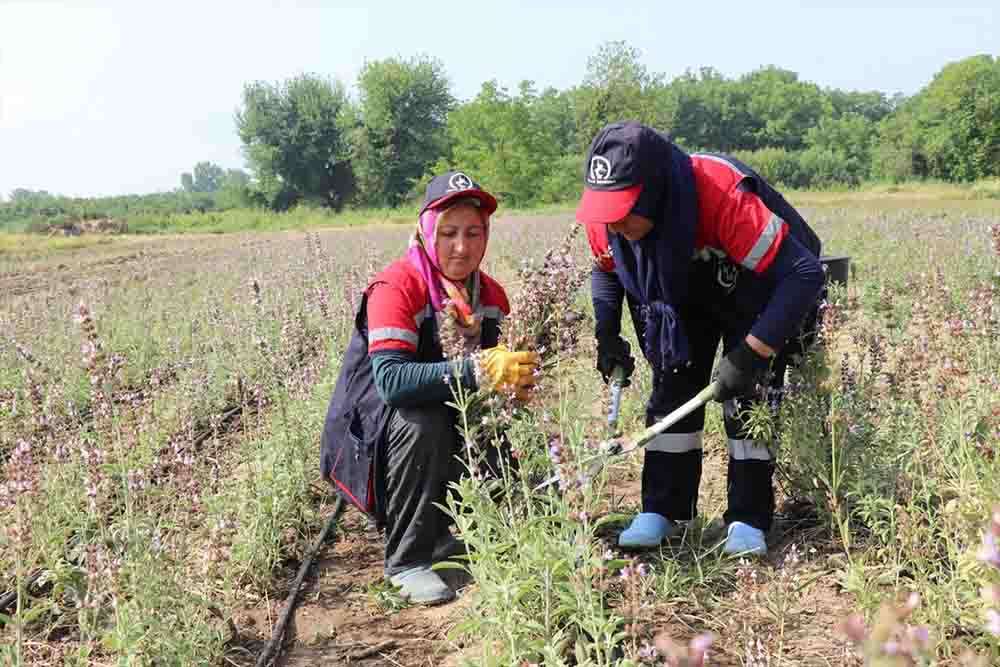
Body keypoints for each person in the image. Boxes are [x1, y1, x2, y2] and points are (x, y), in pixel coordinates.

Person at [577, 122, 825, 556]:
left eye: (624, 209)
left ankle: (749, 517)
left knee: (746, 398)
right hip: (681, 294)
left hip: (755, 286)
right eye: (607, 212)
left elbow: (803, 272)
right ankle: (665, 509)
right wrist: (606, 331)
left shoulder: (720, 194)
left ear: (653, 190)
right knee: (672, 385)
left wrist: (752, 351)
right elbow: (606, 270)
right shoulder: (609, 220)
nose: (614, 223)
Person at [320, 171, 539, 604]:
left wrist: (515, 381)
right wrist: (480, 369)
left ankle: (444, 534)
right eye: (449, 232)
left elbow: (492, 384)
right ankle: (406, 560)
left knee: (490, 423)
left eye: (474, 232)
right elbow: (392, 382)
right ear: (426, 232)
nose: (462, 246)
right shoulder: (397, 286)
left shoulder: (490, 295)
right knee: (426, 420)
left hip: (429, 425)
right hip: (372, 441)